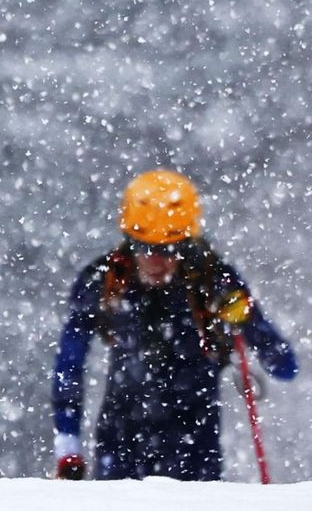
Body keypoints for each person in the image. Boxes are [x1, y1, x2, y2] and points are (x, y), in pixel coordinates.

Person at [51, 169, 298, 481]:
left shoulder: (214, 281)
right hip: (121, 440)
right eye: (144, 247)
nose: (156, 260)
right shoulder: (104, 280)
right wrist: (68, 446)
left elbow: (285, 366)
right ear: (129, 241)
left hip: (195, 445)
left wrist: (248, 321)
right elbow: (69, 365)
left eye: (169, 250)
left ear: (186, 244)